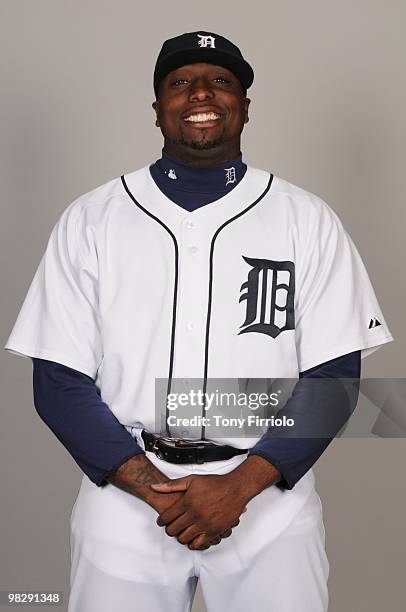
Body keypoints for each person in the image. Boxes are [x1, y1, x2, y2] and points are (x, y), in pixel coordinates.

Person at [4, 31, 393, 611]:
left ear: (244, 105)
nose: (201, 93)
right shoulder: (92, 219)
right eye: (180, 82)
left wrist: (237, 489)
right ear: (158, 108)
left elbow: (334, 381)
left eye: (221, 81)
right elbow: (58, 384)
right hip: (126, 501)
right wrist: (162, 496)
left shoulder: (306, 220)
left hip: (267, 498)